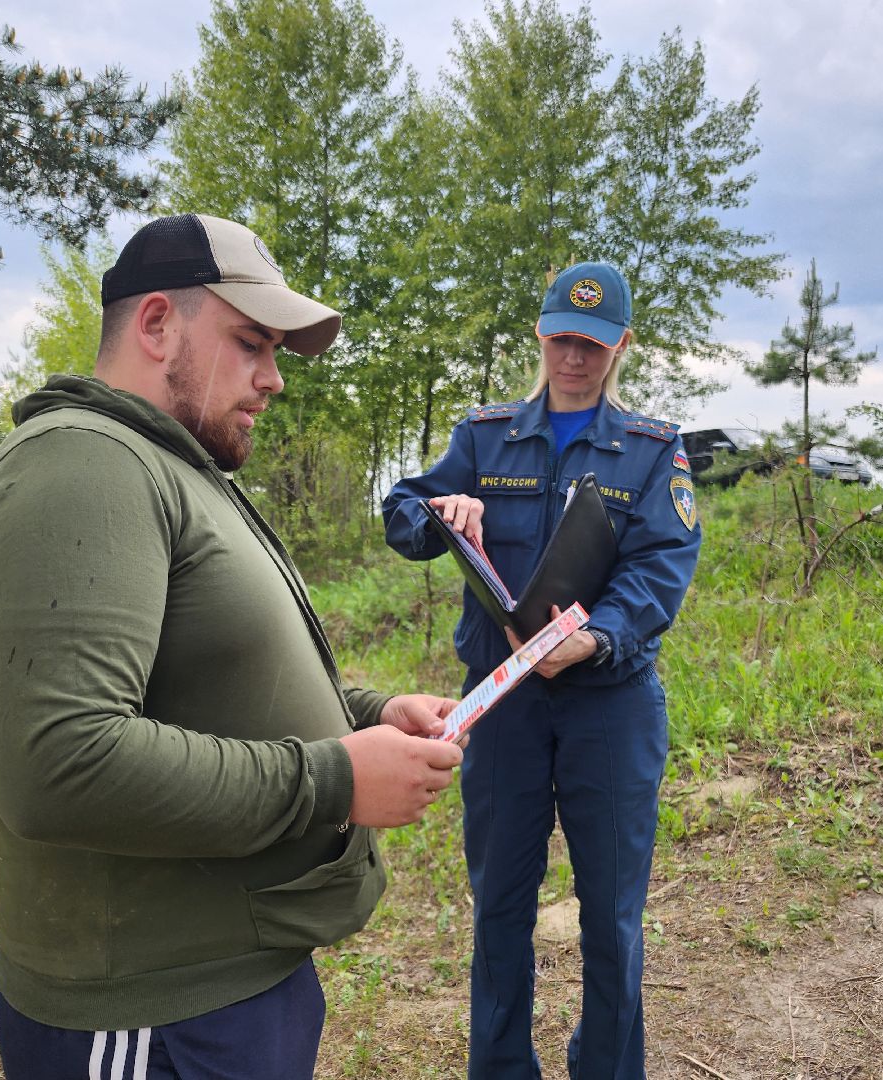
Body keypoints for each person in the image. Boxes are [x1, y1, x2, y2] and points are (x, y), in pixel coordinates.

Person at [0, 213, 465, 1080]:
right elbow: (58, 763)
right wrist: (336, 778)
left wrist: (370, 716)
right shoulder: (81, 467)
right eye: (251, 343)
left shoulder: (172, 465)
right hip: (149, 1017)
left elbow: (210, 677)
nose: (273, 379)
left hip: (230, 987)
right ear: (158, 324)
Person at [382, 261, 701, 1079]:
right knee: (499, 905)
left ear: (621, 346)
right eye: (562, 339)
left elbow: (661, 565)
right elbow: (403, 511)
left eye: (593, 344)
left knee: (612, 915)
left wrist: (597, 639)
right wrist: (442, 512)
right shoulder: (485, 438)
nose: (575, 358)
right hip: (504, 707)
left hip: (610, 707)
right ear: (541, 336)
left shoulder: (651, 451)